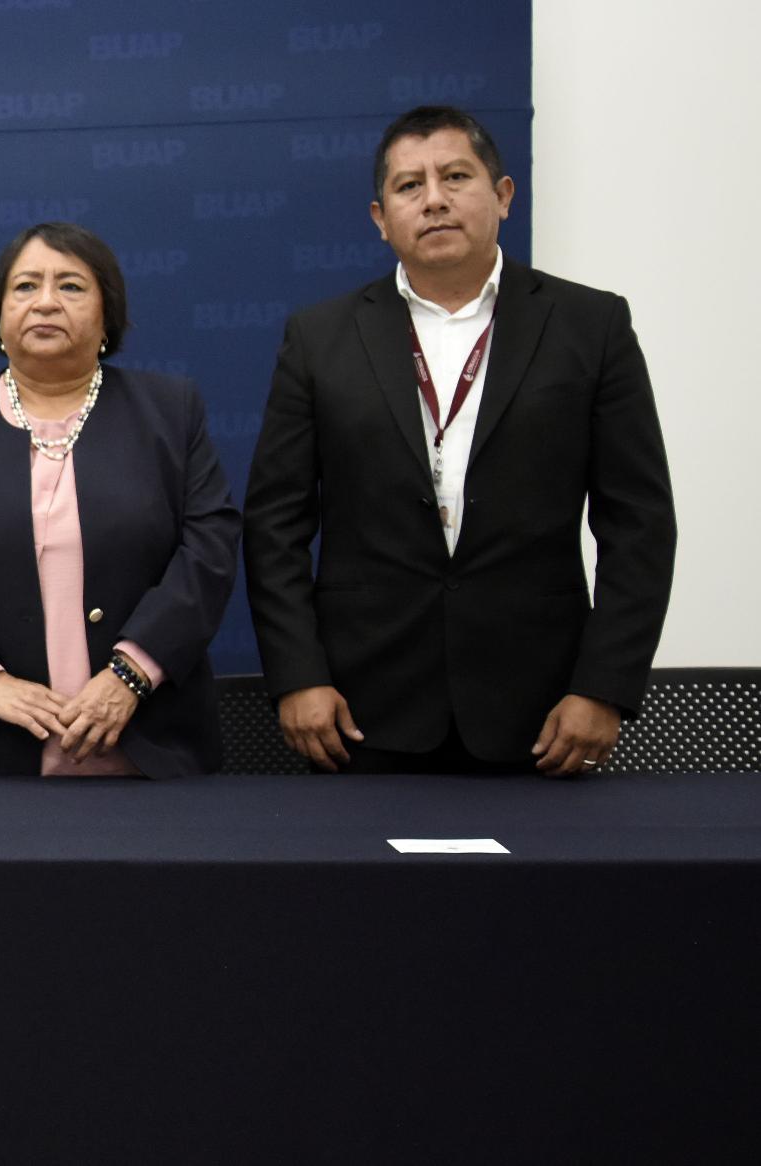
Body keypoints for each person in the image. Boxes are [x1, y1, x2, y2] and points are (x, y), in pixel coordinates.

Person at [245, 106, 676, 777]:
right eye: (408, 186)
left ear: (502, 196)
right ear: (379, 218)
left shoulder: (590, 326)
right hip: (360, 708)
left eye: (455, 176)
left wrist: (602, 687)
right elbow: (274, 524)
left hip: (543, 712)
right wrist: (298, 676)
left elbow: (638, 524)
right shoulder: (318, 338)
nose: (434, 199)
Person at [0, 223, 239, 777]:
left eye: (70, 286)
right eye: (25, 287)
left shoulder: (169, 411)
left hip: (151, 756)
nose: (45, 302)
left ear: (107, 318)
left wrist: (132, 674)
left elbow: (208, 550)